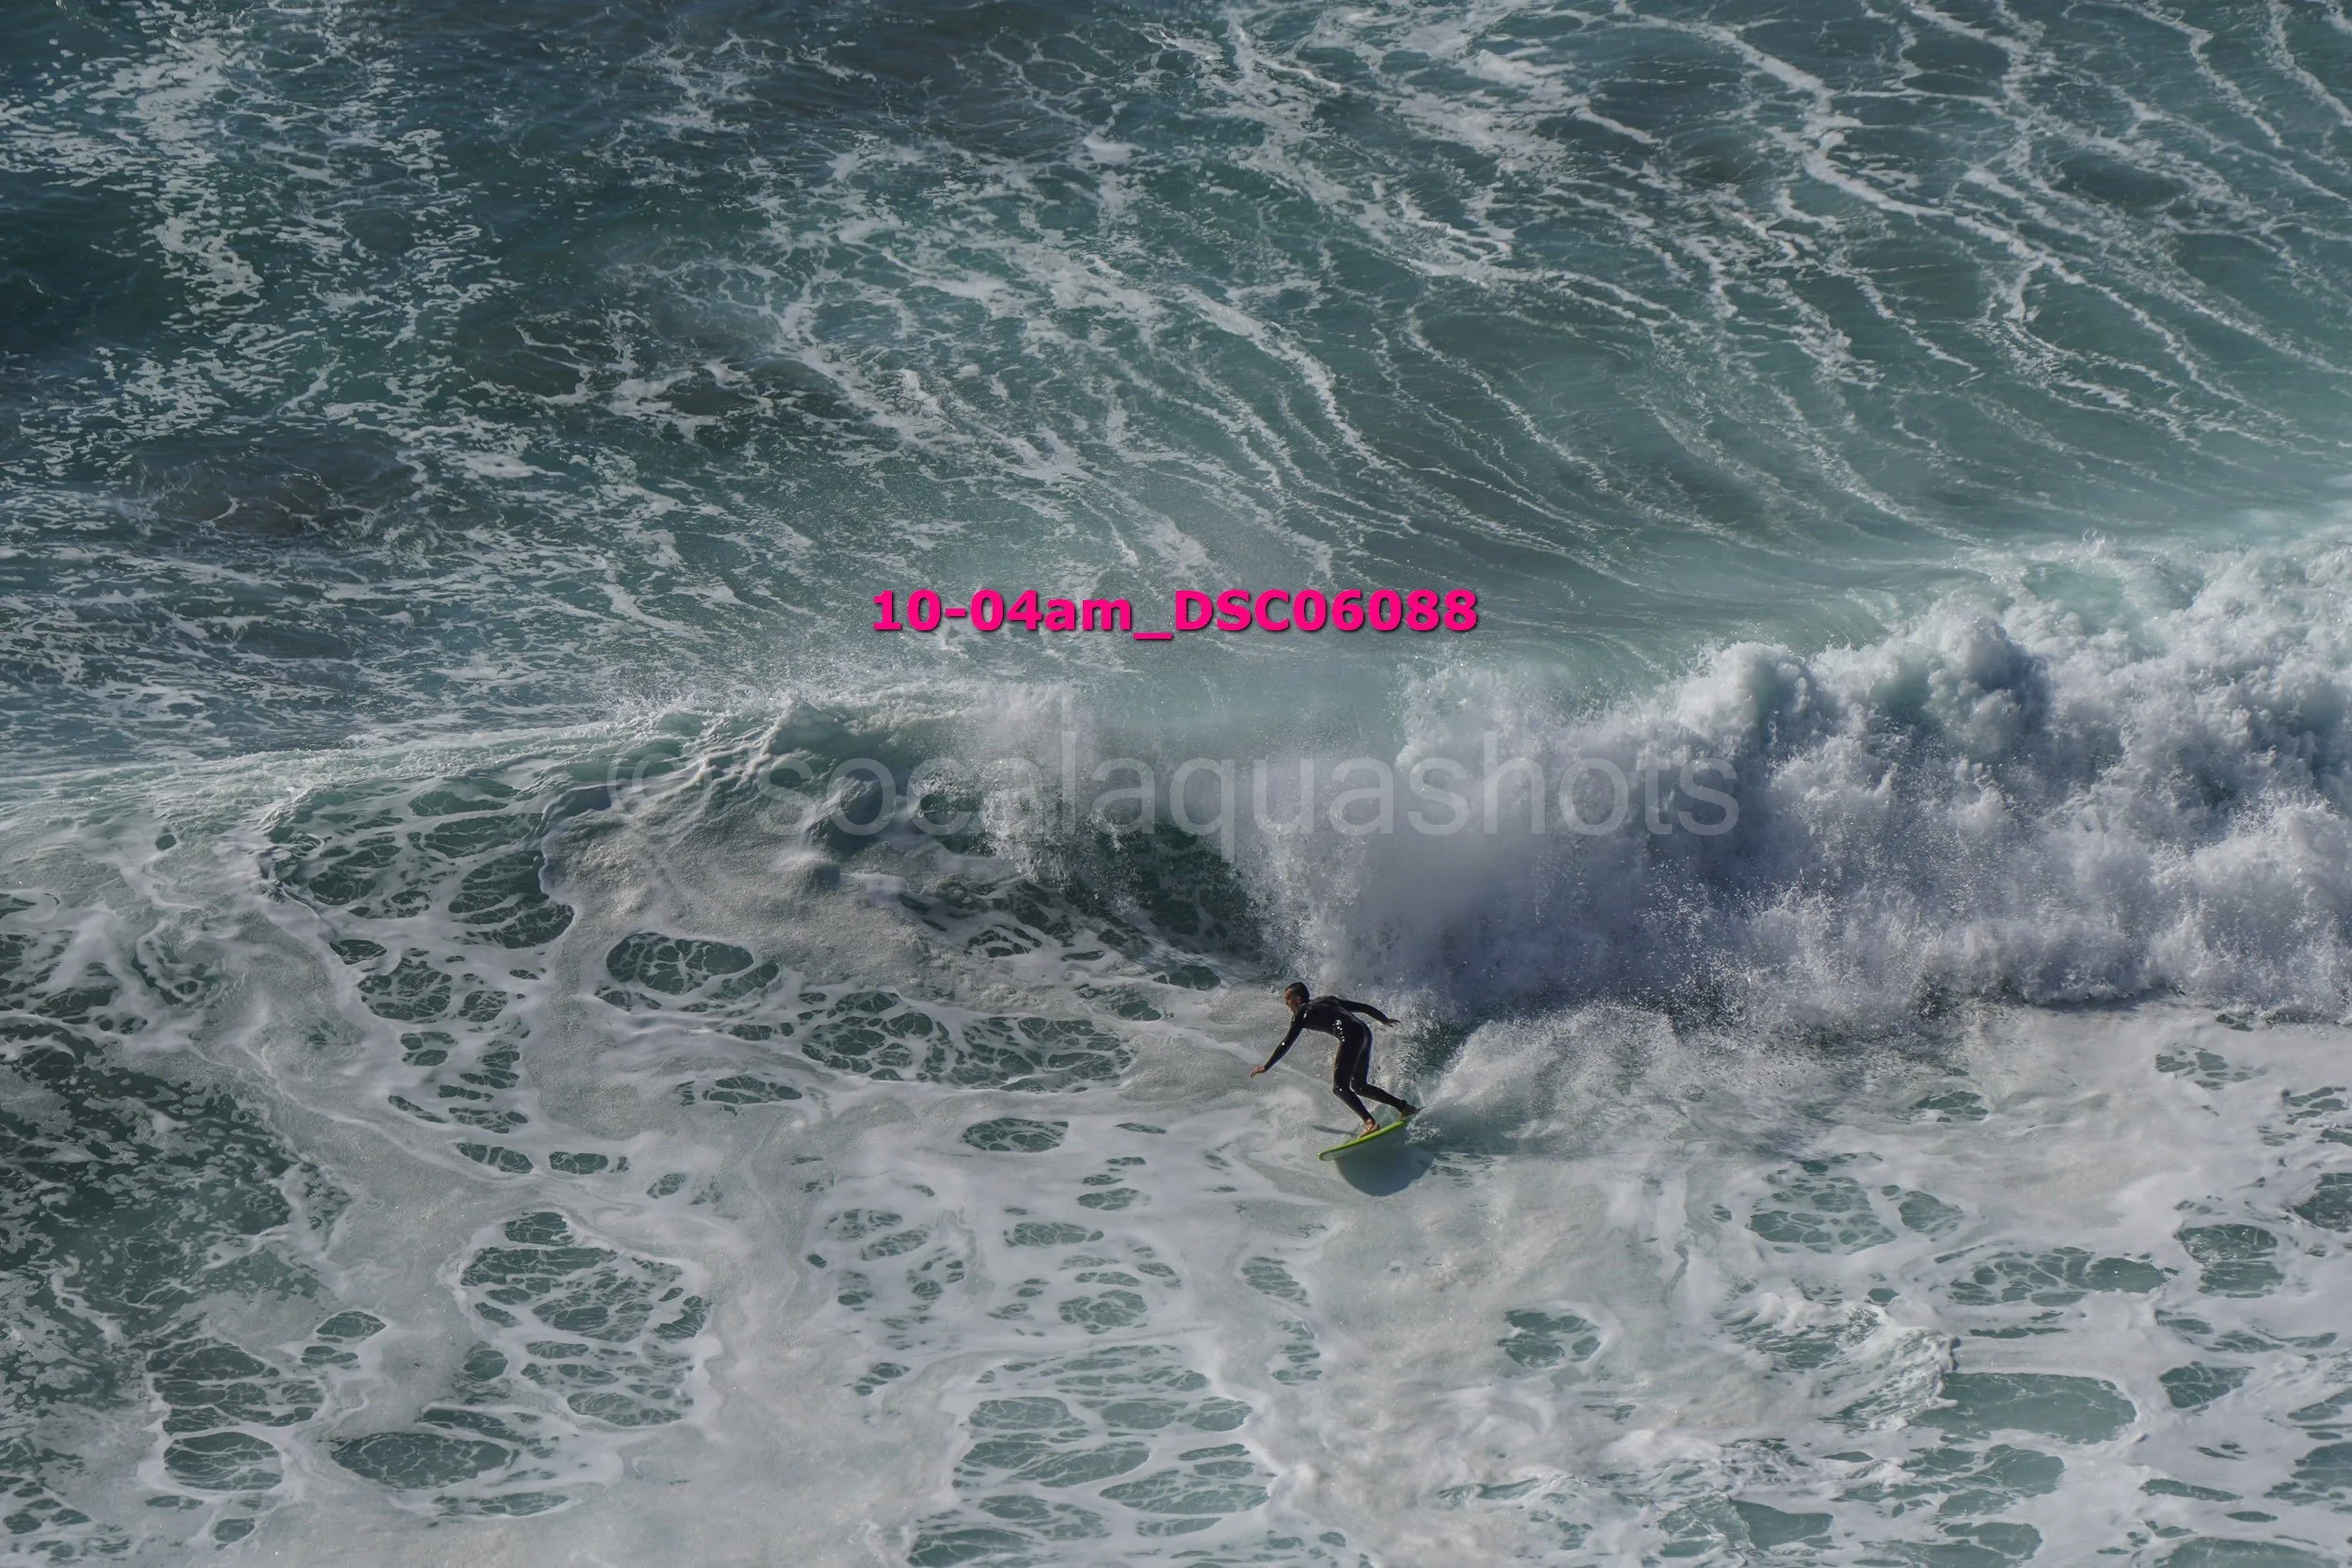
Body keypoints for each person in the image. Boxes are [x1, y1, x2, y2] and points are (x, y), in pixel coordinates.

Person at [1250, 982, 1417, 1135]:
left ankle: (1370, 1123)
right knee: (1359, 1086)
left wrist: (1267, 1066)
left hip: (1351, 1036)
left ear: (1297, 998)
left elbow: (1286, 1043)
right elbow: (1363, 1007)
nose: (1286, 1004)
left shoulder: (1301, 1014)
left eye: (1287, 1000)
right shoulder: (1327, 1000)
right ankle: (1404, 1107)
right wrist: (1383, 1019)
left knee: (1339, 1088)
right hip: (1364, 1033)